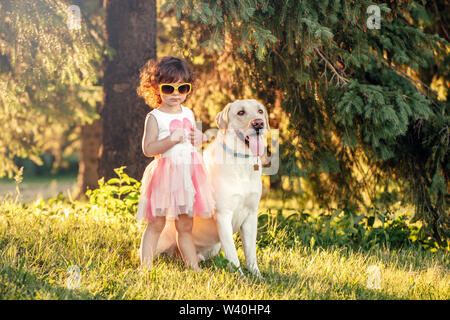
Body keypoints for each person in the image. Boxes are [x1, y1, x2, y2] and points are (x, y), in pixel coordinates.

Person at [135, 56, 215, 272]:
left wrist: (198, 139)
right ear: (156, 88)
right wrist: (172, 138)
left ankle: (194, 267)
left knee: (185, 226)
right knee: (156, 223)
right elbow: (148, 149)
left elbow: (190, 144)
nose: (176, 94)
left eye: (183, 88)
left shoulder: (188, 113)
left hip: (187, 175)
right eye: (169, 88)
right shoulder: (155, 117)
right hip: (165, 174)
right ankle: (146, 268)